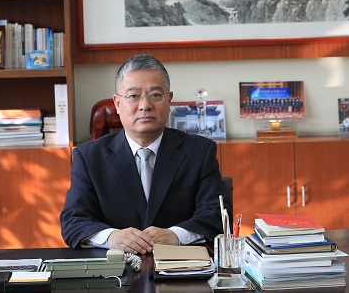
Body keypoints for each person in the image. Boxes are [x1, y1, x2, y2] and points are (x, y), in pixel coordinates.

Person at [60, 54, 230, 253]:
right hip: (114, 267)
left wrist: (175, 235)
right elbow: (73, 220)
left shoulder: (199, 152)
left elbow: (217, 214)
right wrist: (111, 237)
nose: (145, 105)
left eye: (155, 95)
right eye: (133, 96)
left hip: (182, 266)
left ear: (169, 100)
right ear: (117, 103)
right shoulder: (89, 157)